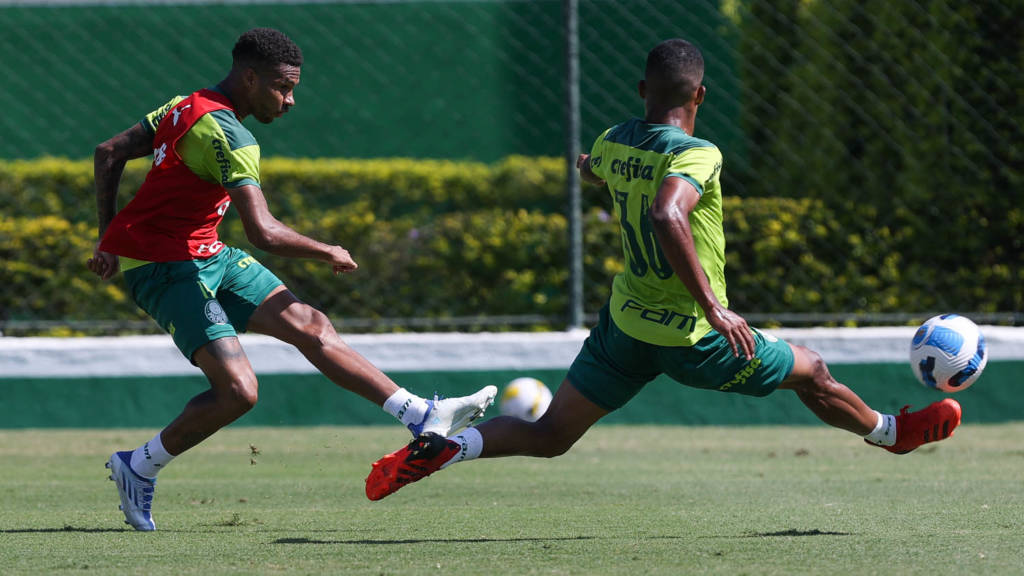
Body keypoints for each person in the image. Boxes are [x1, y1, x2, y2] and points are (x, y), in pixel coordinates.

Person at [363, 38, 962, 501]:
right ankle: (892, 433)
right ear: (700, 95)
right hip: (693, 337)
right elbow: (667, 212)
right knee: (814, 371)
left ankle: (447, 448)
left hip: (625, 327)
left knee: (549, 435)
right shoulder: (698, 153)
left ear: (642, 89)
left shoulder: (614, 140)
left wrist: (592, 166)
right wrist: (714, 308)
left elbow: (592, 168)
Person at [88, 27, 496, 531]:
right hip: (160, 265)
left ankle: (419, 414)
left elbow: (108, 152)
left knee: (310, 324)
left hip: (206, 252)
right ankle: (139, 465)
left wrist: (106, 236)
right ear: (250, 78)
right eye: (282, 87)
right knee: (238, 392)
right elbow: (263, 232)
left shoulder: (185, 105)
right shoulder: (230, 135)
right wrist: (327, 250)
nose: (290, 100)